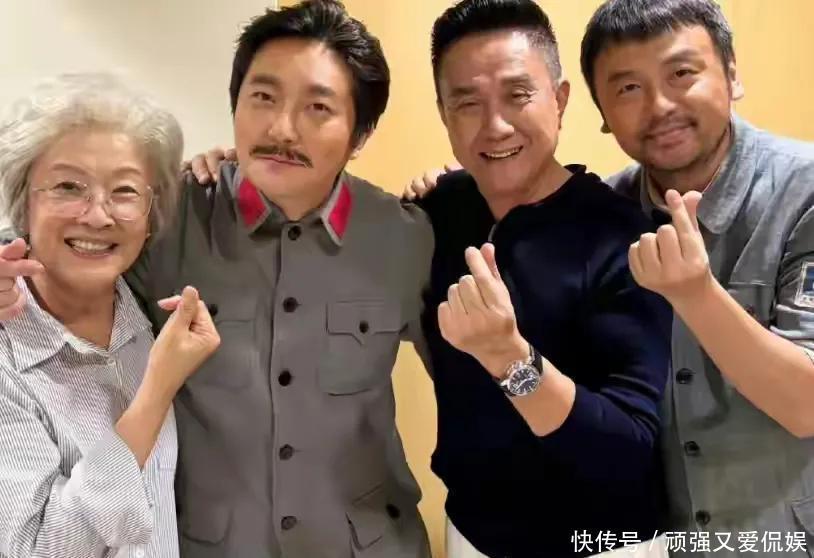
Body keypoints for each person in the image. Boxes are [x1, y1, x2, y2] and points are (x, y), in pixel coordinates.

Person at [0, 2, 434, 557]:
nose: (281, 129)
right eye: (263, 97)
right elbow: (61, 235)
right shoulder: (168, 219)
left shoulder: (408, 238)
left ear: (361, 132)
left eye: (318, 107)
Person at [581, 0, 814, 555]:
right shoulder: (605, 213)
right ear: (602, 112)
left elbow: (807, 405)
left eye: (681, 73)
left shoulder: (804, 192)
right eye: (628, 88)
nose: (660, 106)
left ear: (732, 75)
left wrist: (696, 294)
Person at [0, 73, 220, 558]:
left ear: (150, 217)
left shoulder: (143, 315)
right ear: (23, 201)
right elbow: (37, 548)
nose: (98, 215)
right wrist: (156, 392)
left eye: (123, 191)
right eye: (68, 186)